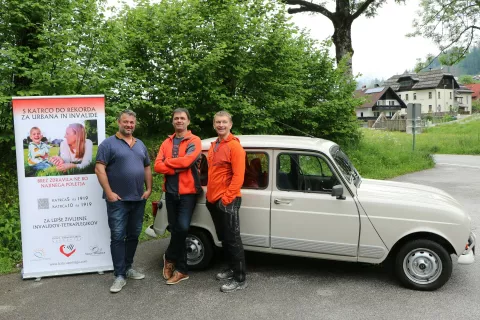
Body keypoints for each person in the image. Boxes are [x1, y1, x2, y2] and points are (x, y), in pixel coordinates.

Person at [95, 110, 152, 293]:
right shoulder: (108, 144)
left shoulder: (140, 144)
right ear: (118, 122)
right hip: (117, 200)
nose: (129, 125)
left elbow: (147, 167)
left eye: (132, 123)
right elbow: (99, 169)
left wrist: (149, 189)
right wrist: (109, 192)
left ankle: (128, 268)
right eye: (126, 122)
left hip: (138, 198)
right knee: (118, 237)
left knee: (134, 235)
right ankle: (119, 275)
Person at [154, 108, 202, 285]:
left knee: (182, 228)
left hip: (188, 193)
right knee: (175, 229)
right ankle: (181, 269)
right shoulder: (167, 142)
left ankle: (171, 257)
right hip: (170, 193)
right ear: (173, 121)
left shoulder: (194, 140)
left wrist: (168, 163)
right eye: (176, 118)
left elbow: (188, 161)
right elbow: (157, 166)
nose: (179, 121)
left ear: (188, 121)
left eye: (182, 118)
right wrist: (176, 166)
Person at [205, 110, 247, 293]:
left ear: (230, 124)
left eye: (224, 122)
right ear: (214, 124)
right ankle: (231, 268)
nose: (221, 125)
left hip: (227, 200)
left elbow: (239, 177)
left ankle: (239, 279)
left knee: (233, 240)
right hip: (213, 200)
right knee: (224, 239)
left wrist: (226, 199)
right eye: (218, 122)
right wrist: (210, 198)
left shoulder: (235, 147)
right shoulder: (214, 145)